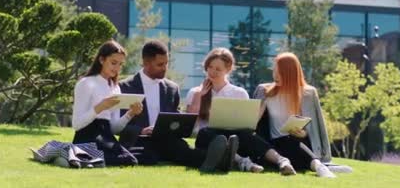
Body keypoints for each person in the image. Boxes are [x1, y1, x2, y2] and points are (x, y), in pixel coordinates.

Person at [119, 40, 236, 172]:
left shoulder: (171, 88)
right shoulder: (125, 87)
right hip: (140, 140)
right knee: (149, 156)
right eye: (160, 64)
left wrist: (180, 122)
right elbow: (118, 125)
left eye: (166, 63)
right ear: (146, 63)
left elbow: (175, 116)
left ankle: (223, 159)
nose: (165, 68)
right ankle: (223, 160)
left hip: (167, 139)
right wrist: (141, 130)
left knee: (184, 152)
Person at [186, 47, 296, 175]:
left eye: (218, 69)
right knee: (206, 132)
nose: (212, 72)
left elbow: (248, 124)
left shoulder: (239, 93)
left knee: (246, 135)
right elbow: (190, 125)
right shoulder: (195, 92)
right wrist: (199, 96)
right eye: (210, 67)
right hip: (209, 139)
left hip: (236, 138)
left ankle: (282, 161)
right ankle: (242, 162)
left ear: (228, 70)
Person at [254, 52, 336, 178]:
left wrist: (304, 133)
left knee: (292, 140)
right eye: (274, 71)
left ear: (291, 74)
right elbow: (253, 124)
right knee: (284, 142)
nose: (275, 76)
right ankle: (316, 165)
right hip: (273, 146)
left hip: (298, 142)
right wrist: (261, 105)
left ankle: (317, 165)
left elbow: (316, 127)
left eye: (280, 73)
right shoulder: (264, 91)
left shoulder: (308, 94)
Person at [72, 40, 142, 166]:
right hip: (87, 136)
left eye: (121, 64)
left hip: (106, 136)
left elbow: (114, 129)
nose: (117, 68)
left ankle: (81, 159)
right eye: (113, 63)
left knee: (140, 158)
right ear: (101, 60)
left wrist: (130, 114)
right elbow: (76, 124)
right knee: (128, 160)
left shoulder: (115, 87)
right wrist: (100, 107)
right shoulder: (85, 83)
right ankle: (76, 157)